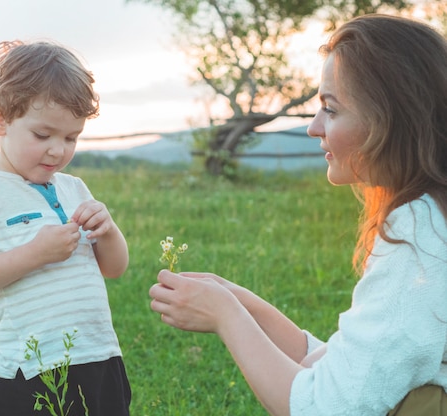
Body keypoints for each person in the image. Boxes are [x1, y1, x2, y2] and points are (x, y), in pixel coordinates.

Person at [149, 14, 447, 416]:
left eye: (331, 109)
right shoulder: (432, 216)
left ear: (389, 119)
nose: (313, 127)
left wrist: (225, 315)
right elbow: (352, 366)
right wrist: (242, 302)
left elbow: (323, 406)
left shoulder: (418, 235)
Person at [0, 39, 131, 416]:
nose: (57, 150)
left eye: (71, 137)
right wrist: (34, 254)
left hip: (96, 354)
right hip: (27, 374)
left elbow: (114, 267)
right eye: (43, 135)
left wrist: (108, 230)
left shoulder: (73, 187)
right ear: (0, 120)